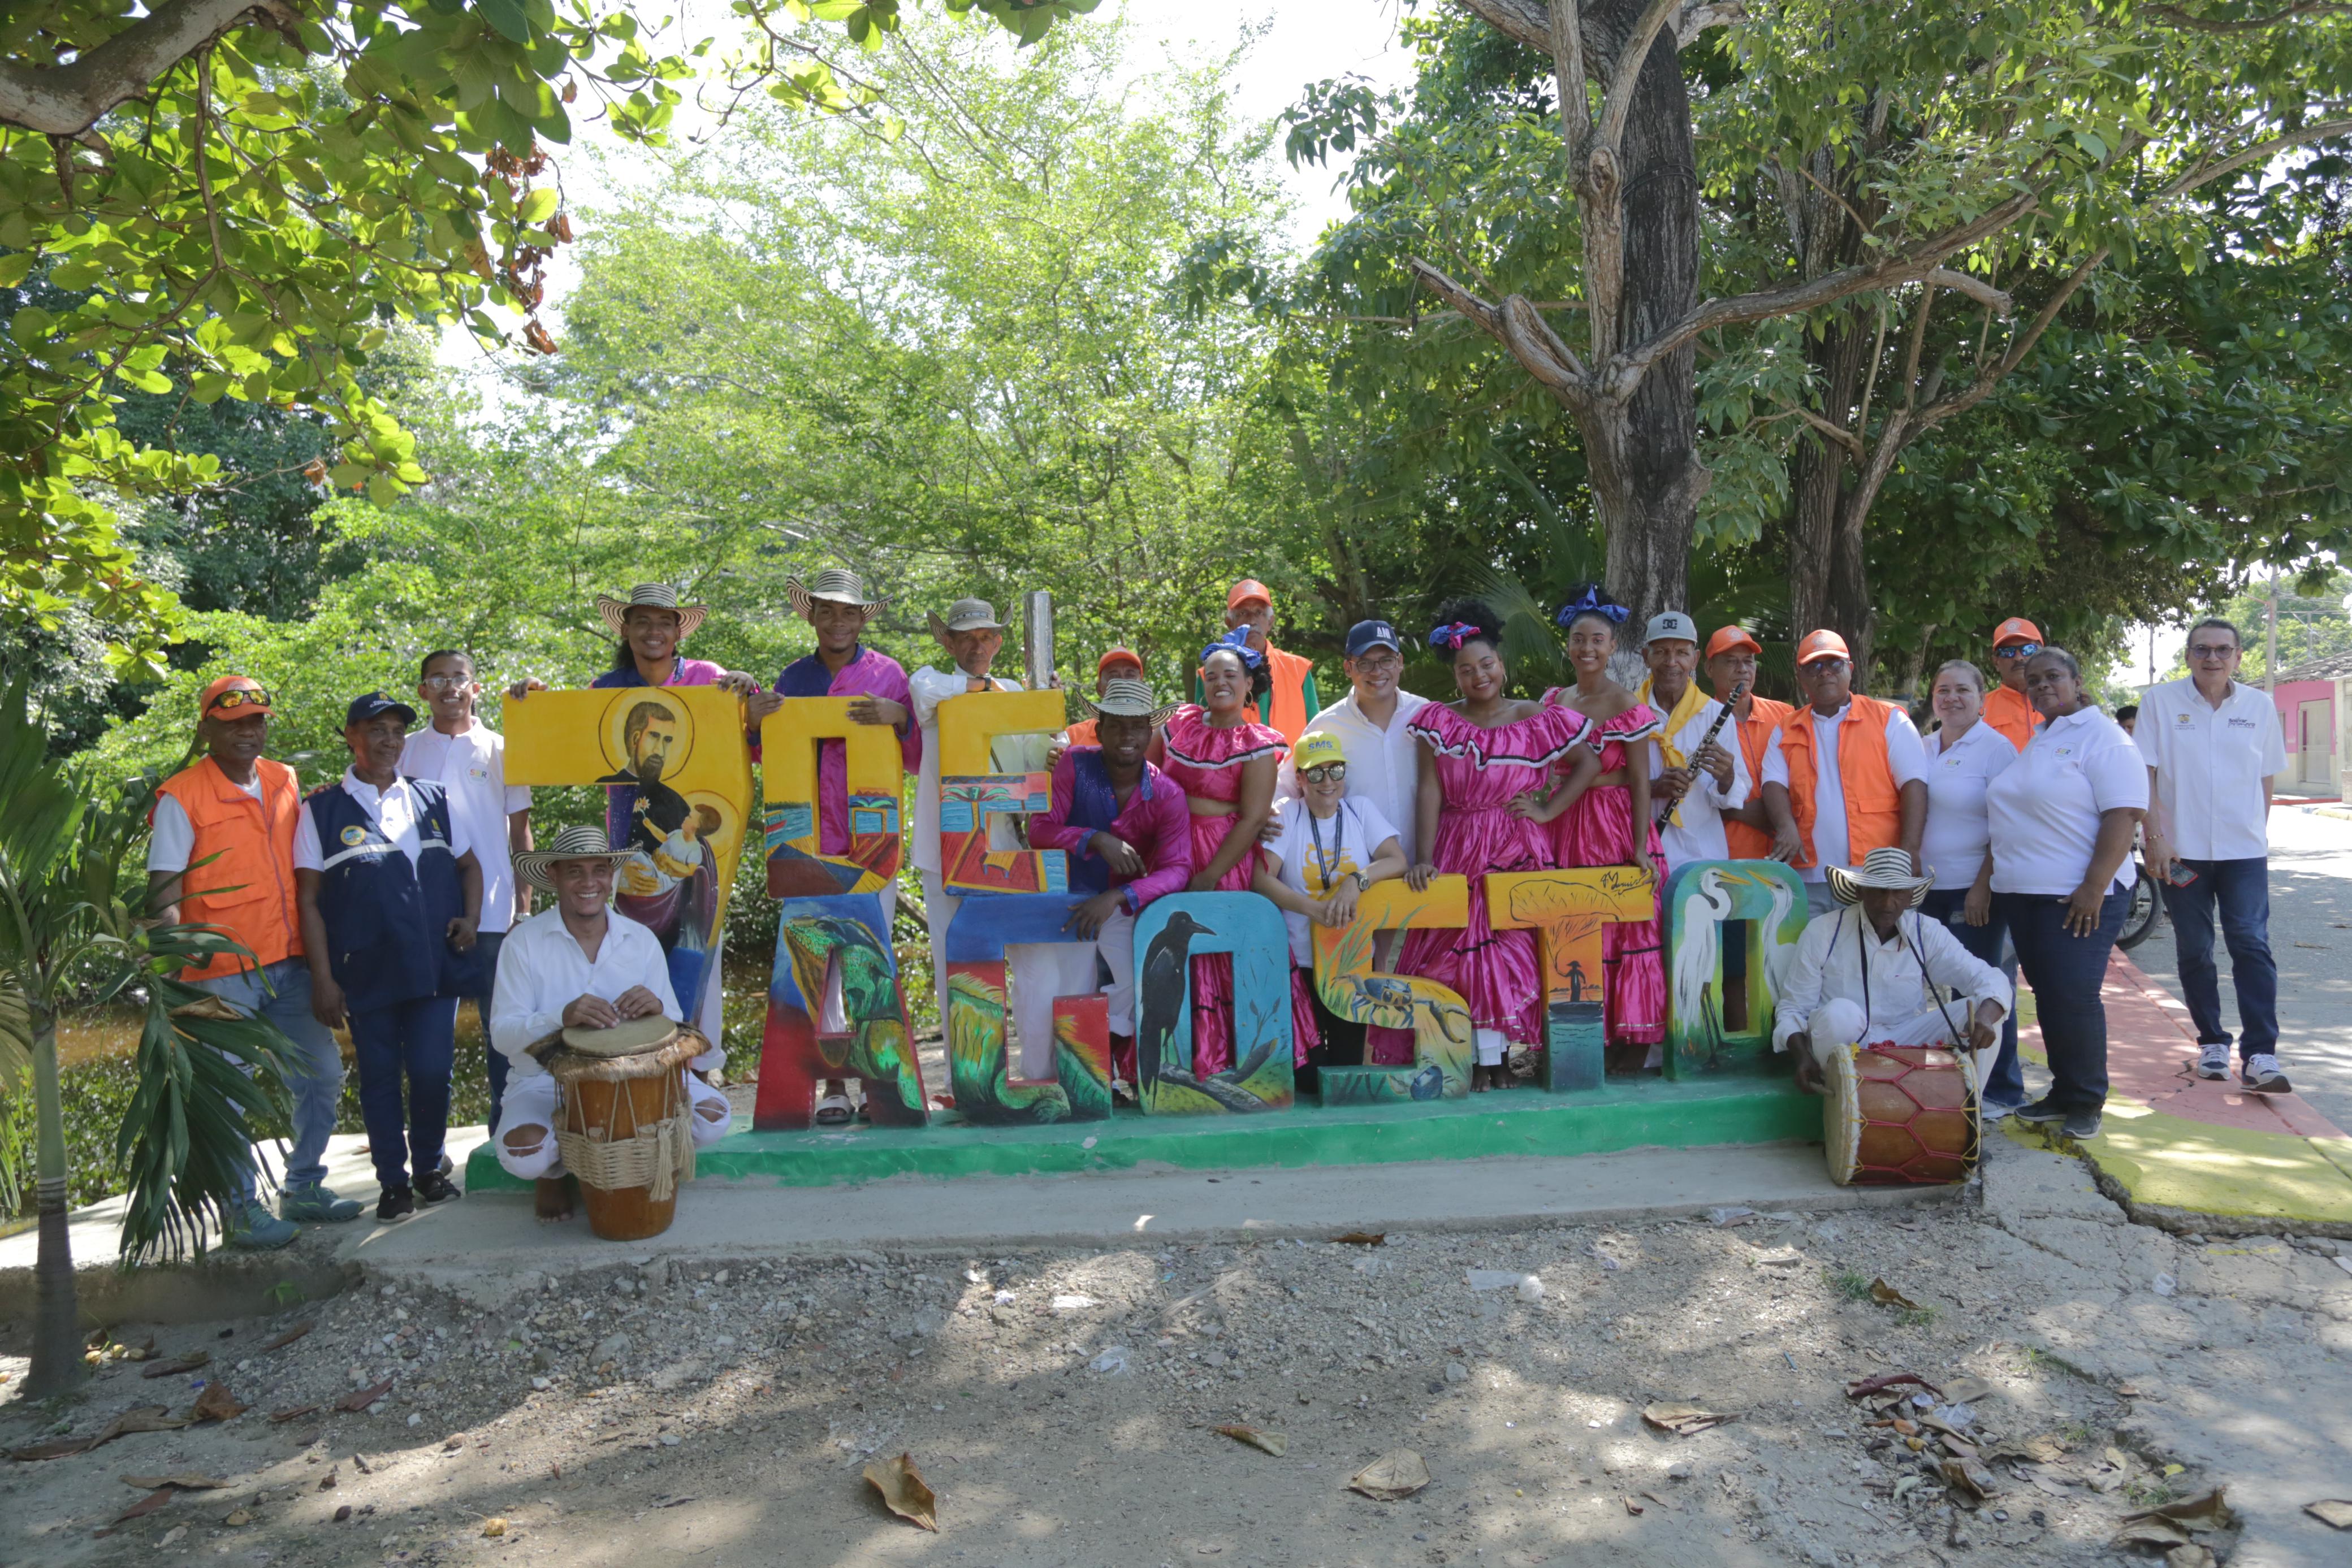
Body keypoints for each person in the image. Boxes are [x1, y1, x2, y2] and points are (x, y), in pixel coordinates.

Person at [510, 582, 774, 1052]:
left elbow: (751, 750)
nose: (653, 632)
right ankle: (637, 1061)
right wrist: (534, 701)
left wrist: (746, 700)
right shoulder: (605, 690)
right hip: (627, 848)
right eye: (642, 622)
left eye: (664, 623)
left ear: (678, 632)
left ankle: (697, 1066)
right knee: (632, 957)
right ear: (626, 630)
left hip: (697, 857)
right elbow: (563, 742)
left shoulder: (710, 680)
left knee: (697, 955)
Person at [148, 677, 361, 1247]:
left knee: (320, 1075)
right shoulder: (181, 796)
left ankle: (304, 1185)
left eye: (257, 720)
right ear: (207, 728)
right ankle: (240, 1210)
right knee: (229, 1093)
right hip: (217, 973)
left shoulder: (283, 778)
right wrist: (168, 978)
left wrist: (323, 969)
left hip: (291, 964)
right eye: (234, 721)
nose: (249, 731)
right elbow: (163, 894)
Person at [293, 692, 485, 1221]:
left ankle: (428, 1169)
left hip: (432, 967)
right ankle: (392, 1184)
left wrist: (470, 919)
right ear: (352, 736)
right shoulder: (322, 809)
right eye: (376, 730)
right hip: (367, 971)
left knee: (430, 1071)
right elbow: (308, 899)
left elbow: (471, 866)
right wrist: (323, 979)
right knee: (379, 1076)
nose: (389, 741)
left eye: (398, 731)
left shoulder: (433, 798)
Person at [1394, 603, 1600, 1089]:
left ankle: (1502, 1059)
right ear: (1456, 677)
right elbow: (1429, 790)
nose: (1479, 676)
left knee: (1510, 951)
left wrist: (1548, 811)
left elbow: (1588, 764)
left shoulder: (1535, 717)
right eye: (1467, 670)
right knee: (1461, 950)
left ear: (1502, 666)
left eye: (1486, 665)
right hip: (1458, 846)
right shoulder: (1437, 722)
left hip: (1516, 847)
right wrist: (1425, 857)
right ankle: (1470, 1060)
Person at [488, 826, 732, 1219]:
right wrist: (560, 1017)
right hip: (544, 1081)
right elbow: (503, 1036)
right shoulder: (522, 943)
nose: (589, 883)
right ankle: (554, 1172)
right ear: (553, 876)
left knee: (714, 1120)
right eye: (575, 872)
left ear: (611, 876)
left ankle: (642, 1163)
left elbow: (673, 1024)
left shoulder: (640, 939)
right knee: (525, 1155)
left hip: (638, 1077)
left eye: (600, 870)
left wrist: (658, 1010)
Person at [775, 569, 922, 1124]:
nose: (838, 621)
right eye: (827, 610)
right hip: (808, 837)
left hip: (870, 839)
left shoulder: (888, 673)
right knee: (822, 963)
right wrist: (757, 717)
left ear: (863, 618)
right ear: (811, 615)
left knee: (869, 957)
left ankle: (877, 1081)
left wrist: (899, 716)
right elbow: (766, 752)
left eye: (848, 612)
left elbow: (918, 755)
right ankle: (834, 1083)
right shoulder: (792, 677)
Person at [1986, 647, 2147, 1140]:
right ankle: (2063, 1091)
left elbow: (2123, 814)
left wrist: (2093, 888)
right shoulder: (2044, 737)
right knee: (2052, 999)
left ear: (2078, 682)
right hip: (2027, 894)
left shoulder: (2104, 739)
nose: (2041, 687)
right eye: (2032, 681)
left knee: (2074, 999)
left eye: (2053, 677)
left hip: (2076, 897)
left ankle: (2086, 1101)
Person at [907, 597, 1063, 1075]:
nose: (977, 645)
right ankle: (968, 1079)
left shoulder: (1016, 689)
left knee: (1037, 961)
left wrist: (1047, 719)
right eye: (966, 637)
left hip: (1008, 845)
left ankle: (1040, 1071)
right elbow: (930, 695)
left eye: (986, 636)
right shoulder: (931, 682)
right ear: (947, 640)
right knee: (955, 963)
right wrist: (993, 690)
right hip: (946, 850)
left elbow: (1037, 754)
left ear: (999, 641)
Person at [2136, 616, 2289, 1091]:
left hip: (2243, 853)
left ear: (2239, 657)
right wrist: (2155, 838)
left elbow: (2266, 776)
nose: (2213, 658)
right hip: (2182, 855)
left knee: (2251, 943)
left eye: (2223, 650)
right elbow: (2144, 774)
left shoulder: (2260, 707)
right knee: (2196, 948)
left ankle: (2261, 1054)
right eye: (2202, 649)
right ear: (2188, 656)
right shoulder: (2159, 703)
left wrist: (2254, 833)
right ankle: (2212, 1042)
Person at [1160, 629, 1318, 1076]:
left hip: (1222, 858)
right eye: (1211, 676)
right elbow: (1149, 777)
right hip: (1173, 848)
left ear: (1250, 683)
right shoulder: (1178, 725)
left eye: (1230, 675)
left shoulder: (1259, 743)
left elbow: (1251, 819)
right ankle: (1187, 1060)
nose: (1220, 683)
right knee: (1175, 953)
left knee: (1220, 947)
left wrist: (1209, 876)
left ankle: (1234, 1059)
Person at [1030, 678, 1195, 1090]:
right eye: (1117, 725)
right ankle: (1047, 1080)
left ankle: (1100, 1071)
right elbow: (1040, 830)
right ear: (1099, 729)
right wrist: (1094, 839)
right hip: (1065, 900)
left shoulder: (1166, 793)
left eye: (1138, 726)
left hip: (1121, 905)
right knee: (1059, 989)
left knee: (1135, 981)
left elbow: (1179, 868)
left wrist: (1120, 895)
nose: (1127, 736)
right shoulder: (1074, 765)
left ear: (1151, 732)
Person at [1523, 587, 1664, 1062]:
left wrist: (1642, 844)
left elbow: (1642, 781)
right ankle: (1573, 1041)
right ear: (1568, 644)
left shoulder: (1626, 704)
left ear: (1612, 648)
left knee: (1619, 928)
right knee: (1568, 922)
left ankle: (1626, 1044)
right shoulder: (1552, 700)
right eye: (1579, 639)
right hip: (1563, 823)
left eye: (1598, 640)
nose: (1588, 648)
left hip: (1611, 825)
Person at [400, 649, 533, 1133]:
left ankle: (507, 1132)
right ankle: (429, 1149)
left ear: (476, 688)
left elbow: (521, 831)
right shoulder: (404, 748)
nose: (450, 687)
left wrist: (524, 903)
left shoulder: (501, 747)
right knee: (430, 1039)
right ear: (423, 690)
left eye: (460, 678)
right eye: (438, 679)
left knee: (502, 1031)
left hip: (495, 908)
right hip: (422, 911)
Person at [1774, 848, 2011, 1095]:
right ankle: (1844, 1101)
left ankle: (1970, 1111)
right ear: (1860, 892)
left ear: (1910, 898)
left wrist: (1985, 1016)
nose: (1888, 904)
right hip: (1842, 1043)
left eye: (1898, 893)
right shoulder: (1823, 931)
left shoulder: (1926, 932)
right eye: (1878, 891)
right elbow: (1793, 1008)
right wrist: (1802, 1058)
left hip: (1907, 1037)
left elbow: (1988, 978)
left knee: (1983, 1010)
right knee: (1839, 1013)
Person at [1253, 730, 1408, 1087]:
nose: (1328, 781)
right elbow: (1262, 878)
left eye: (1336, 771)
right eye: (1316, 772)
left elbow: (1396, 860)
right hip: (1299, 963)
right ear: (1300, 779)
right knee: (1307, 1075)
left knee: (1346, 1069)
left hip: (1350, 961)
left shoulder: (1360, 810)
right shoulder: (1288, 814)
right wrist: (1312, 909)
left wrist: (1357, 881)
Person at [1914, 660, 2025, 1115]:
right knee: (1927, 990)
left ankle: (2000, 1088)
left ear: (1982, 699)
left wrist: (1984, 885)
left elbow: (2009, 824)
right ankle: (1948, 1080)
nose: (1952, 698)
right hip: (1923, 890)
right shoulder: (1920, 746)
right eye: (1943, 690)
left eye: (1963, 690)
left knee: (1981, 989)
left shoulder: (1996, 749)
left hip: (1973, 891)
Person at [1761, 630, 1930, 916]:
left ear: (1850, 670)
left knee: (1873, 957)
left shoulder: (1889, 720)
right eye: (1813, 667)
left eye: (1834, 664)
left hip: (1875, 874)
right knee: (1815, 958)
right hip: (1809, 878)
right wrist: (1786, 825)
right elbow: (1772, 784)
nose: (1824, 673)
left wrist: (1911, 849)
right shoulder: (1785, 728)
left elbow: (1915, 785)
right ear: (1800, 677)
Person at [1636, 611, 1751, 872]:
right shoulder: (1628, 713)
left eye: (1682, 653)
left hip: (1702, 858)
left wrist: (1727, 778)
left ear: (1696, 659)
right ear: (1646, 657)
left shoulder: (1715, 715)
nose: (1672, 662)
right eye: (1662, 652)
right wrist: (1652, 788)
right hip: (1641, 857)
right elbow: (1608, 788)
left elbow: (1736, 793)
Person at [1703, 625, 1793, 861]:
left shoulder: (1786, 717)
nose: (1742, 669)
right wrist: (1743, 811)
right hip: (1726, 857)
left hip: (1786, 857)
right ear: (1710, 668)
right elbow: (1691, 796)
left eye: (1749, 661)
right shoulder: (1698, 721)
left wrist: (1778, 815)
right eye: (1731, 661)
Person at [1193, 578, 1321, 741]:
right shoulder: (1208, 676)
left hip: (1292, 765)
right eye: (1243, 613)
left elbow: (1316, 731)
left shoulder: (1298, 669)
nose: (1252, 620)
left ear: (1270, 622)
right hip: (1232, 766)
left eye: (1259, 612)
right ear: (1229, 623)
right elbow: (1201, 736)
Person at [1061, 648, 1145, 750]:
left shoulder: (1156, 740)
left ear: (1142, 686)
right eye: (1113, 677)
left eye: (1130, 675)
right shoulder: (1072, 737)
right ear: (1099, 689)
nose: (1123, 683)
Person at [1983, 617, 2048, 750]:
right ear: (1996, 662)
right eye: (2008, 652)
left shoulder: (2062, 702)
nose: (2019, 657)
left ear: (2043, 656)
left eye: (2028, 649)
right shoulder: (1979, 709)